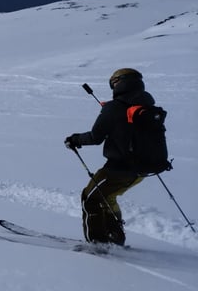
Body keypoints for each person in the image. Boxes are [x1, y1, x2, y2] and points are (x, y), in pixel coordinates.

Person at [64, 68, 153, 246]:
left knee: (90, 198)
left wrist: (74, 140)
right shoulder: (147, 106)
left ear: (119, 83)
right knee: (107, 197)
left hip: (118, 168)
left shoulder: (115, 108)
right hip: (143, 169)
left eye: (113, 83)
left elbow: (95, 137)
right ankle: (115, 238)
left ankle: (98, 244)